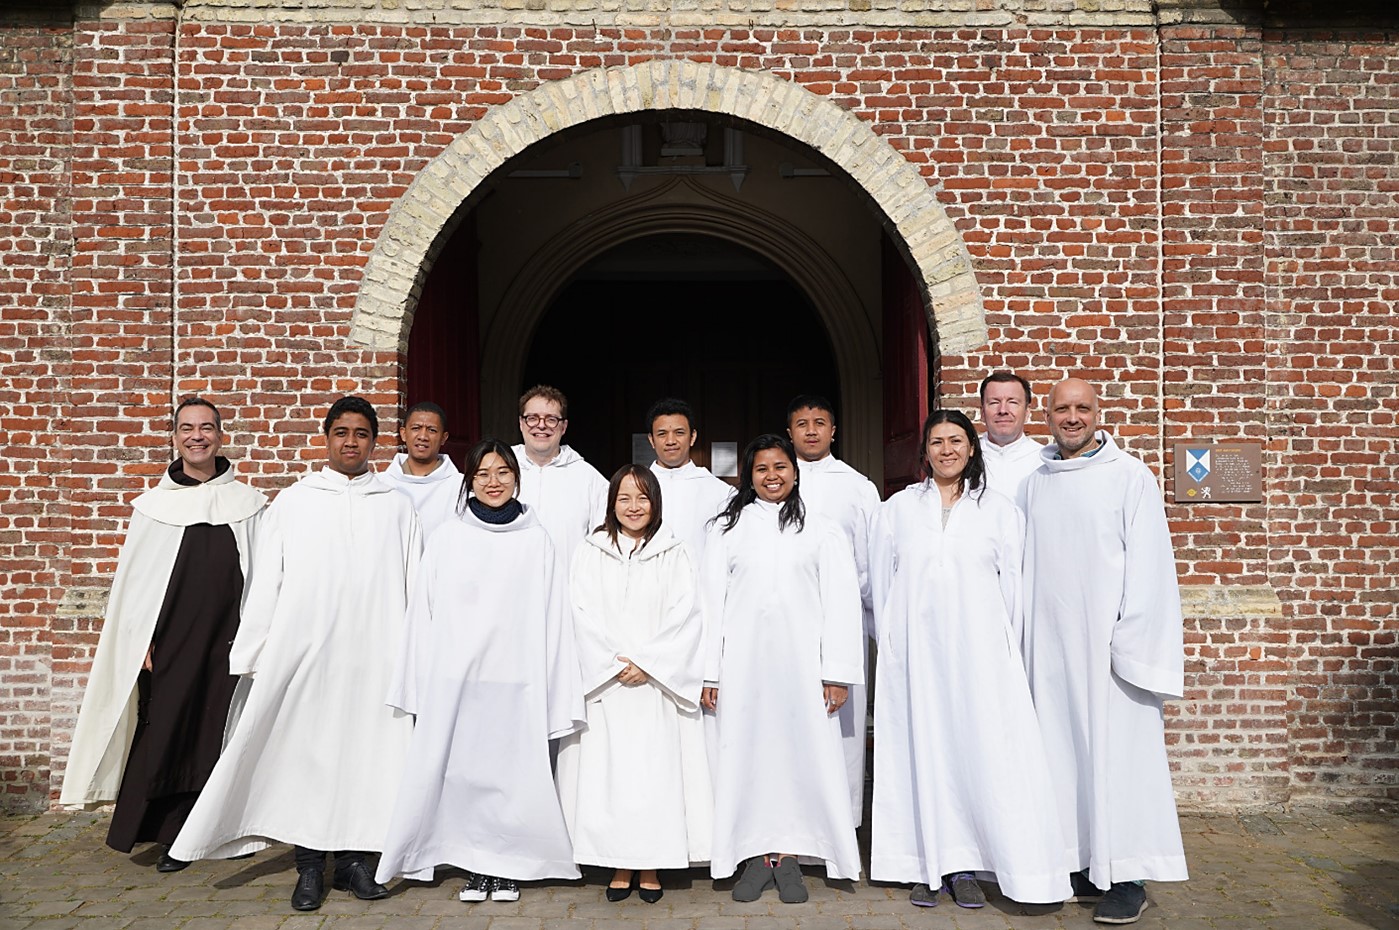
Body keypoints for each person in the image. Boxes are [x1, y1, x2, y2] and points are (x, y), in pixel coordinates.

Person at [168, 397, 421, 912]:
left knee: (366, 758)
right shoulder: (294, 502)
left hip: (377, 654)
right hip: (308, 652)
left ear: (375, 442)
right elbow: (266, 582)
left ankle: (354, 862)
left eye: (362, 434)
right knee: (311, 758)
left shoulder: (396, 504)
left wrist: (417, 652)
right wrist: (257, 651)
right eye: (342, 432)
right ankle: (309, 866)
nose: (351, 442)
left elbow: (415, 583)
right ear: (326, 437)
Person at [869, 409, 1071, 909]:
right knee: (920, 752)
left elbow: (1014, 591)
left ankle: (968, 865)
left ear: (972, 447)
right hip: (915, 657)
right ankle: (923, 864)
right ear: (924, 452)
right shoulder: (895, 510)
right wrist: (891, 646)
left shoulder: (999, 511)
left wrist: (1004, 653)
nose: (947, 450)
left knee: (977, 752)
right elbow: (878, 585)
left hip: (978, 656)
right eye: (936, 442)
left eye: (956, 440)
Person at [60, 398, 267, 873]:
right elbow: (134, 586)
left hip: (229, 641)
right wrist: (141, 642)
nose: (197, 436)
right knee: (169, 728)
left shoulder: (249, 503)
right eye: (187, 429)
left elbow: (261, 575)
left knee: (217, 729)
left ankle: (214, 831)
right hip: (170, 641)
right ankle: (168, 833)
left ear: (220, 435)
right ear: (174, 437)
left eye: (207, 428)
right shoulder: (152, 507)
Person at [376, 439, 584, 904]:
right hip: (459, 679)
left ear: (516, 477)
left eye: (503, 472)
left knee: (514, 776)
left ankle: (509, 864)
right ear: (469, 481)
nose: (494, 482)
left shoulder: (537, 539)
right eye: (484, 474)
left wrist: (553, 682)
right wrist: (422, 678)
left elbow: (553, 615)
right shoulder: (449, 537)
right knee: (464, 776)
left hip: (517, 677)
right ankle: (475, 863)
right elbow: (424, 613)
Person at [1021, 378, 1189, 925]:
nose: (1072, 417)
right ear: (1045, 417)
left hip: (1110, 651)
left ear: (1099, 414)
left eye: (1082, 408)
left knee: (1119, 760)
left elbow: (1151, 566)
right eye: (1061, 409)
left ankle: (1126, 876)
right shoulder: (1033, 484)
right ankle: (1076, 862)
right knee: (1061, 757)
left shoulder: (1130, 477)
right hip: (1048, 650)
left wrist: (1130, 644)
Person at [699, 434, 863, 904]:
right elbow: (710, 603)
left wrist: (837, 671)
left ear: (795, 471)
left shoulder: (822, 528)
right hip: (743, 668)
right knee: (747, 756)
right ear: (748, 476)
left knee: (798, 757)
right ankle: (753, 856)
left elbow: (841, 603)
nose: (772, 476)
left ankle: (790, 856)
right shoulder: (727, 528)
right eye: (761, 469)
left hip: (802, 668)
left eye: (780, 467)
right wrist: (709, 672)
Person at [556, 465, 713, 904]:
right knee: (611, 777)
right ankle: (618, 862)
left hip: (655, 685)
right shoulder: (590, 550)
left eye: (642, 498)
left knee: (652, 778)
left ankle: (650, 865)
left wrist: (648, 662)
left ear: (655, 503)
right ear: (612, 503)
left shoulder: (674, 551)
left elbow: (687, 613)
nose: (633, 507)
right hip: (605, 685)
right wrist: (610, 662)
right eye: (624, 498)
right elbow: (577, 610)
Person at [785, 394, 880, 827]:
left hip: (843, 621)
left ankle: (839, 828)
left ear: (833, 430)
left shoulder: (858, 487)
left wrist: (859, 612)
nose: (810, 430)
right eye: (801, 423)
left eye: (819, 422)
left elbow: (869, 560)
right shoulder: (774, 480)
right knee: (792, 728)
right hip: (788, 624)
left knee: (841, 729)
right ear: (789, 432)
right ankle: (793, 827)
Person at [512, 384, 608, 561]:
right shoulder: (501, 470)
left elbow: (603, 541)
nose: (541, 426)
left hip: (567, 585)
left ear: (563, 427)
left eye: (551, 419)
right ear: (521, 423)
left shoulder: (588, 478)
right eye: (532, 418)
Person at [646, 398, 732, 563]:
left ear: (692, 437)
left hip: (699, 585)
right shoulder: (634, 487)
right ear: (651, 440)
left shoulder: (720, 492)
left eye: (679, 432)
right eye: (662, 434)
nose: (671, 441)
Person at [378, 401, 460, 530]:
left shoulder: (460, 487)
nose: (423, 436)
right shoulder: (381, 484)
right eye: (416, 428)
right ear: (403, 434)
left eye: (432, 430)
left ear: (444, 438)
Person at [977, 372, 1045, 500]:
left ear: (1027, 412)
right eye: (994, 402)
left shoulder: (1044, 460)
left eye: (1012, 402)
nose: (1003, 410)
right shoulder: (965, 459)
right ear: (982, 413)